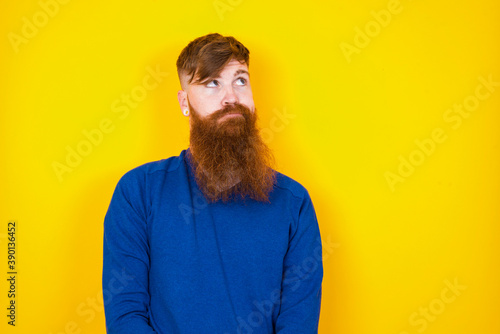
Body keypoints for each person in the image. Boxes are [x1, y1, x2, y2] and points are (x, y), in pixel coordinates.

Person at [102, 33, 323, 334]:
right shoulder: (137, 193)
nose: (231, 97)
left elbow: (298, 324)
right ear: (184, 102)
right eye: (212, 83)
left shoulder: (294, 203)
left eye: (240, 80)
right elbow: (126, 316)